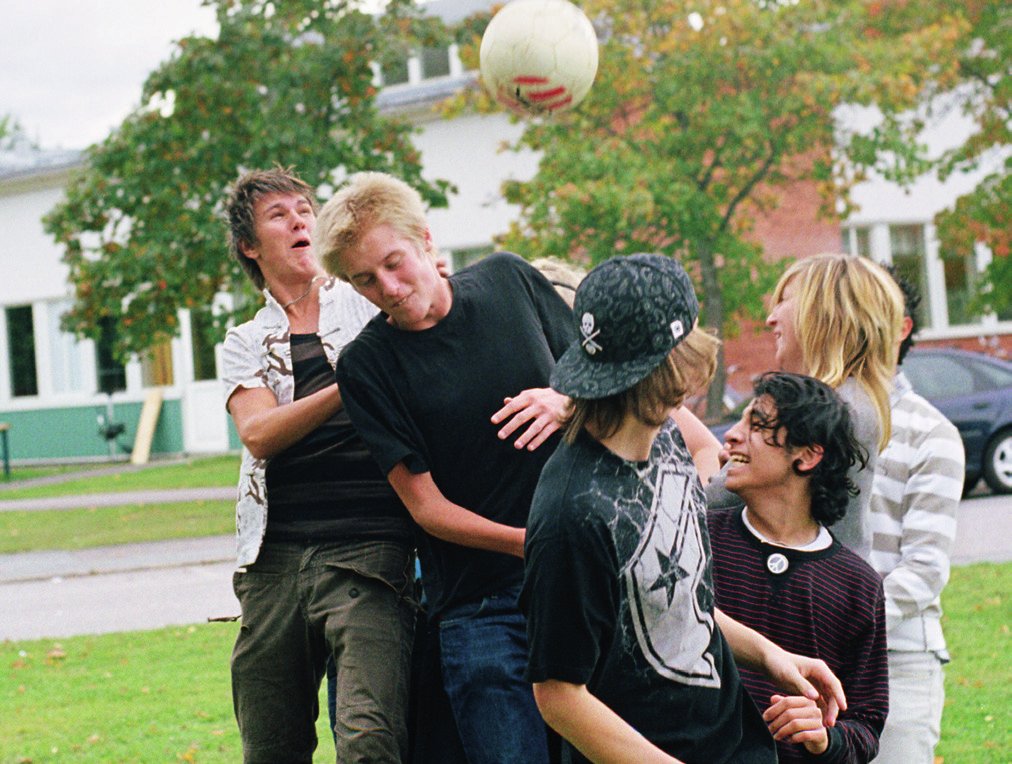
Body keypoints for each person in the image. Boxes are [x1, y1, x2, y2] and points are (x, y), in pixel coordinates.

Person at [520, 253, 848, 764]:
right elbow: (559, 695)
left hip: (733, 743)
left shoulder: (666, 433)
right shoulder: (572, 513)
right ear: (670, 359)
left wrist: (770, 655)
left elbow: (672, 602)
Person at [313, 170, 579, 764]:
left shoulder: (510, 279)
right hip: (481, 607)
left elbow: (596, 384)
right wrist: (529, 544)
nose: (387, 286)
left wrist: (565, 403)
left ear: (426, 241)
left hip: (580, 582)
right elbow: (426, 508)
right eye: (364, 280)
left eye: (394, 262)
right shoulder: (367, 366)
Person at [220, 167, 416, 764]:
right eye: (279, 215)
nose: (300, 219)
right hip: (273, 561)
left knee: (369, 741)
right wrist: (348, 382)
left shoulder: (364, 298)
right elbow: (258, 433)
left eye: (304, 209)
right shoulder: (243, 341)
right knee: (270, 746)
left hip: (369, 551)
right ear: (250, 247)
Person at [708, 371, 889, 763]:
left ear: (807, 455)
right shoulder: (696, 540)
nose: (731, 436)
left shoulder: (858, 586)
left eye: (756, 425)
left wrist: (824, 736)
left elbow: (866, 725)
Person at [708, 254, 905, 562]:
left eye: (784, 301)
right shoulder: (855, 401)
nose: (770, 319)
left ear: (825, 315)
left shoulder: (841, 411)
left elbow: (712, 501)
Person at [868, 269, 963, 764]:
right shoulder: (803, 419)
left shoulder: (931, 433)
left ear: (900, 328)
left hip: (897, 664)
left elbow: (924, 569)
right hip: (799, 662)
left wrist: (840, 621)